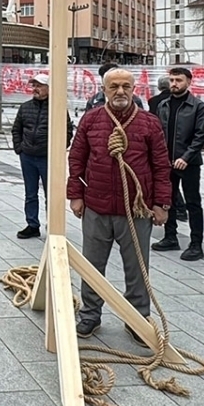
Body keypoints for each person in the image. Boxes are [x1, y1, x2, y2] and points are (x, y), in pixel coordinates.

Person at [68, 68, 170, 345]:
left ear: (135, 88)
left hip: (136, 209)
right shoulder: (91, 121)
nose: (120, 91)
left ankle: (137, 317)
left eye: (126, 86)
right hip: (97, 206)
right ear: (104, 89)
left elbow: (161, 166)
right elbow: (77, 158)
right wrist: (75, 195)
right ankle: (90, 314)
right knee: (92, 264)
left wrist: (161, 203)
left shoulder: (149, 123)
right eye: (114, 87)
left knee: (137, 267)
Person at [152, 67, 204, 261]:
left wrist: (186, 157)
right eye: (172, 80)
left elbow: (201, 136)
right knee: (168, 200)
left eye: (179, 80)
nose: (174, 84)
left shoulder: (198, 107)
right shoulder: (164, 105)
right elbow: (158, 133)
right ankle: (170, 237)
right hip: (166, 162)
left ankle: (196, 244)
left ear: (189, 82)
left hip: (189, 163)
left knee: (193, 203)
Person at [11, 74, 74, 239]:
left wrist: (58, 151)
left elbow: (67, 132)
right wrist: (20, 149)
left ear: (49, 88)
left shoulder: (58, 108)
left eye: (40, 85)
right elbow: (16, 129)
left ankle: (52, 225)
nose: (35, 89)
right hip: (28, 157)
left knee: (50, 194)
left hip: (48, 158)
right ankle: (32, 224)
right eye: (34, 85)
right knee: (30, 193)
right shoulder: (25, 107)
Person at [150, 74, 187, 221]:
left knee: (166, 179)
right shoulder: (173, 101)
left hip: (160, 145)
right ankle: (180, 209)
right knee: (170, 180)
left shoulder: (154, 101)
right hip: (176, 148)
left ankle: (175, 208)